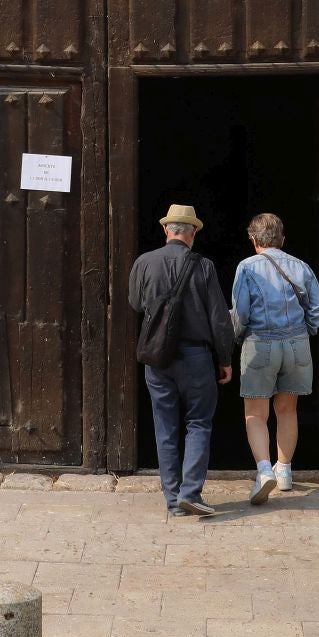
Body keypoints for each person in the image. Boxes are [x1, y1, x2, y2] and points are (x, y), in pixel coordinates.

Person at [128, 203, 234, 519]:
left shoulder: (144, 262)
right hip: (196, 356)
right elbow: (219, 318)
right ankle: (191, 493)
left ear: (166, 229)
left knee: (165, 425)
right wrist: (225, 358)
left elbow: (135, 303)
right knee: (198, 422)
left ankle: (173, 500)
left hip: (158, 356)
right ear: (193, 232)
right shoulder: (204, 267)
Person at [232, 211, 319, 505]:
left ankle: (264, 471)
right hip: (297, 344)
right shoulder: (301, 266)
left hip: (261, 343)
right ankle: (284, 471)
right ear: (282, 239)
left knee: (255, 413)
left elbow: (241, 313)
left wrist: (237, 338)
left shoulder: (247, 267)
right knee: (287, 410)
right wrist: (303, 330)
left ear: (253, 239)